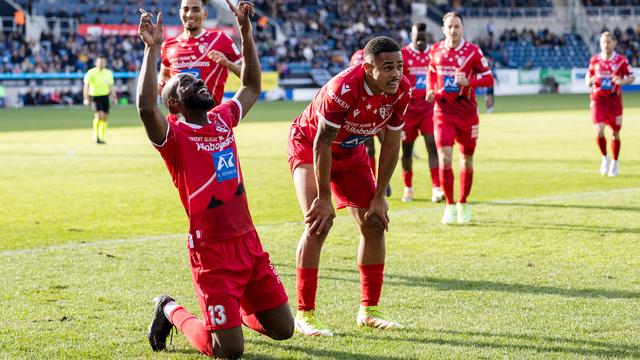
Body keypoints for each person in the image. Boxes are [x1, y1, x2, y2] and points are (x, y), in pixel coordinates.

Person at [137, 3, 293, 358]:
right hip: (212, 252)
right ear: (174, 102)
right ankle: (170, 309)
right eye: (188, 81)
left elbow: (252, 85)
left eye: (198, 77)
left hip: (249, 243)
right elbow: (147, 109)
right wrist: (152, 49)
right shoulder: (173, 137)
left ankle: (230, 312)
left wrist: (247, 32)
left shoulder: (223, 117)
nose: (200, 80)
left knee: (284, 330)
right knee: (228, 352)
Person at [288, 36, 411, 336]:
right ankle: (305, 314)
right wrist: (323, 197)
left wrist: (380, 196)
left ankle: (369, 310)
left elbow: (392, 142)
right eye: (388, 68)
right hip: (309, 145)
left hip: (352, 151)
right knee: (319, 223)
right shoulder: (342, 89)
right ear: (368, 69)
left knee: (374, 223)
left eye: (400, 66)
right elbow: (322, 142)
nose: (396, 74)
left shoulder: (401, 91)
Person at [426, 12, 493, 224]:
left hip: (467, 114)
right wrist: (430, 89)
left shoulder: (473, 51)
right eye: (450, 27)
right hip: (442, 113)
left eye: (457, 26)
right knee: (445, 158)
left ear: (462, 28)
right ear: (443, 29)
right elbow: (430, 72)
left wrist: (469, 81)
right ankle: (449, 206)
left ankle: (463, 203)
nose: (453, 30)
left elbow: (489, 78)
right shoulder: (435, 51)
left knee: (466, 160)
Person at [159, 0, 243, 106]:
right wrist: (161, 85)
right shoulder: (168, 45)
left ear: (205, 14)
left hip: (211, 118)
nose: (190, 14)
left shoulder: (220, 39)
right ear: (180, 12)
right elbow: (164, 77)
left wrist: (228, 64)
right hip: (179, 120)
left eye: (196, 9)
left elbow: (247, 75)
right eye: (185, 9)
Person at [399, 22, 444, 203]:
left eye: (423, 39)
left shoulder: (434, 53)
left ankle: (436, 188)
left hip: (428, 109)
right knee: (407, 150)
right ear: (412, 35)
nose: (420, 43)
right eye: (418, 39)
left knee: (432, 146)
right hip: (408, 111)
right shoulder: (402, 55)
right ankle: (408, 188)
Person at [585, 31, 634, 177]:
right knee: (598, 130)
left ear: (614, 43)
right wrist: (589, 81)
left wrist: (622, 81)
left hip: (614, 101)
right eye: (603, 42)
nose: (605, 45)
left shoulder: (621, 60)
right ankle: (604, 158)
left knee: (615, 133)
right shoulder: (594, 60)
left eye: (608, 42)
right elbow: (589, 75)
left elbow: (631, 77)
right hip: (598, 99)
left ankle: (615, 162)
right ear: (600, 43)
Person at [350, 47, 392, 197]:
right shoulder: (362, 57)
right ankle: (374, 181)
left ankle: (383, 181)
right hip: (364, 114)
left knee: (385, 146)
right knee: (372, 149)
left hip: (379, 113)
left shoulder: (373, 58)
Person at [83, 55, 115, 144]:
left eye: (103, 62)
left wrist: (114, 98)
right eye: (99, 62)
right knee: (99, 115)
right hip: (95, 97)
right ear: (96, 63)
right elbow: (86, 86)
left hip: (105, 96)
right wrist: (85, 98)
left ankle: (102, 136)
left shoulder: (108, 73)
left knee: (104, 117)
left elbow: (111, 86)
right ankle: (96, 135)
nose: (101, 64)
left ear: (105, 63)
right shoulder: (91, 72)